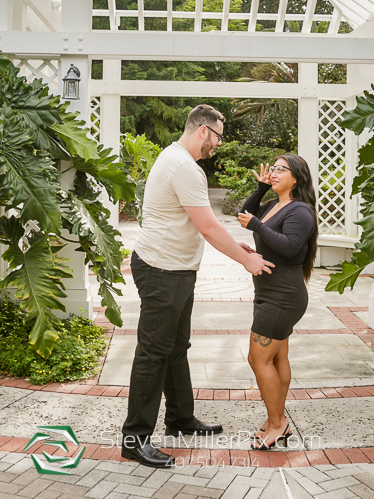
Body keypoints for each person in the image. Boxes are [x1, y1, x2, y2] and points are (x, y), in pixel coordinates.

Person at [122, 104, 274, 468]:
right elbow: (207, 226)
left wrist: (237, 246)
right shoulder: (184, 167)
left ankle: (179, 418)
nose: (218, 144)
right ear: (203, 130)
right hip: (162, 271)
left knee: (175, 347)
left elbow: (199, 224)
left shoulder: (176, 160)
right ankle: (134, 439)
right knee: (153, 353)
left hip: (174, 270)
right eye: (218, 136)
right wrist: (246, 260)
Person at [238, 154, 318, 450]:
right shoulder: (274, 205)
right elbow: (244, 215)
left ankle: (276, 425)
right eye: (272, 168)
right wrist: (259, 189)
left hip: (283, 296)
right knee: (276, 358)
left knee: (258, 358)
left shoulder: (300, 211)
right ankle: (278, 419)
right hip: (270, 293)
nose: (273, 173)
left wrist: (258, 226)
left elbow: (290, 246)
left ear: (296, 177)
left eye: (280, 169)